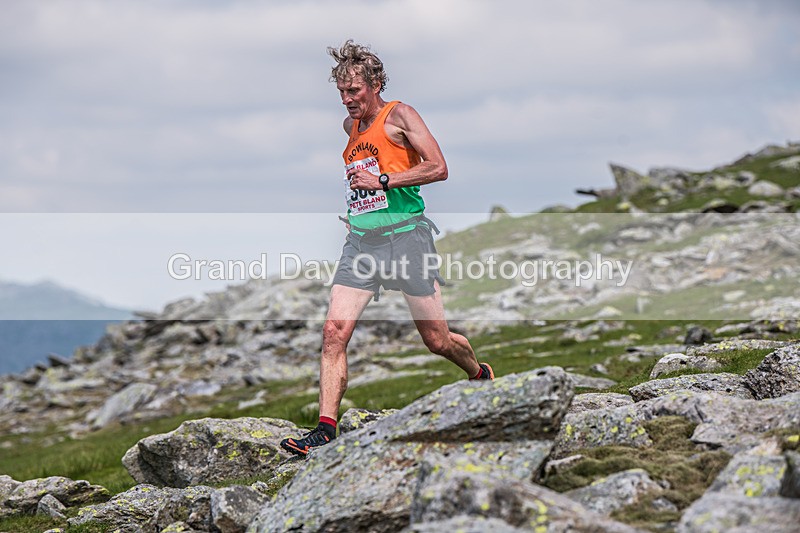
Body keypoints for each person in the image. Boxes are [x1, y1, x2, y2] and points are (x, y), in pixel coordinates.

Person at [280, 41, 493, 457]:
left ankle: (478, 373)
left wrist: (382, 182)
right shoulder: (350, 127)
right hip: (362, 243)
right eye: (341, 92)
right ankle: (325, 430)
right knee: (333, 332)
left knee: (436, 340)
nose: (347, 99)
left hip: (408, 238)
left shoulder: (401, 115)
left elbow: (439, 168)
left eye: (354, 91)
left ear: (375, 85)